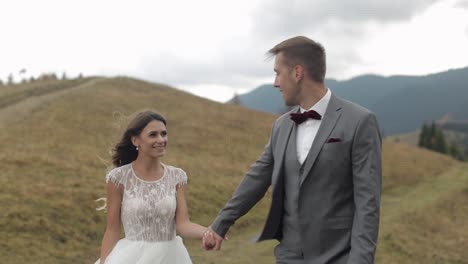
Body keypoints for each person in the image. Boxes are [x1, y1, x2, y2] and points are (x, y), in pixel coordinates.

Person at [203, 36, 382, 263]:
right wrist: (221, 223)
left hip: (338, 256)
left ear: (297, 73)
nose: (276, 83)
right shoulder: (281, 125)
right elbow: (257, 177)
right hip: (288, 256)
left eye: (278, 73)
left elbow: (368, 204)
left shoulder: (359, 121)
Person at [95, 110, 214, 264]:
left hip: (171, 257)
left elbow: (183, 224)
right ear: (135, 140)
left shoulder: (177, 177)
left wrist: (208, 232)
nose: (161, 139)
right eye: (153, 135)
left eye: (164, 134)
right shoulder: (118, 178)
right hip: (132, 258)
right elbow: (112, 230)